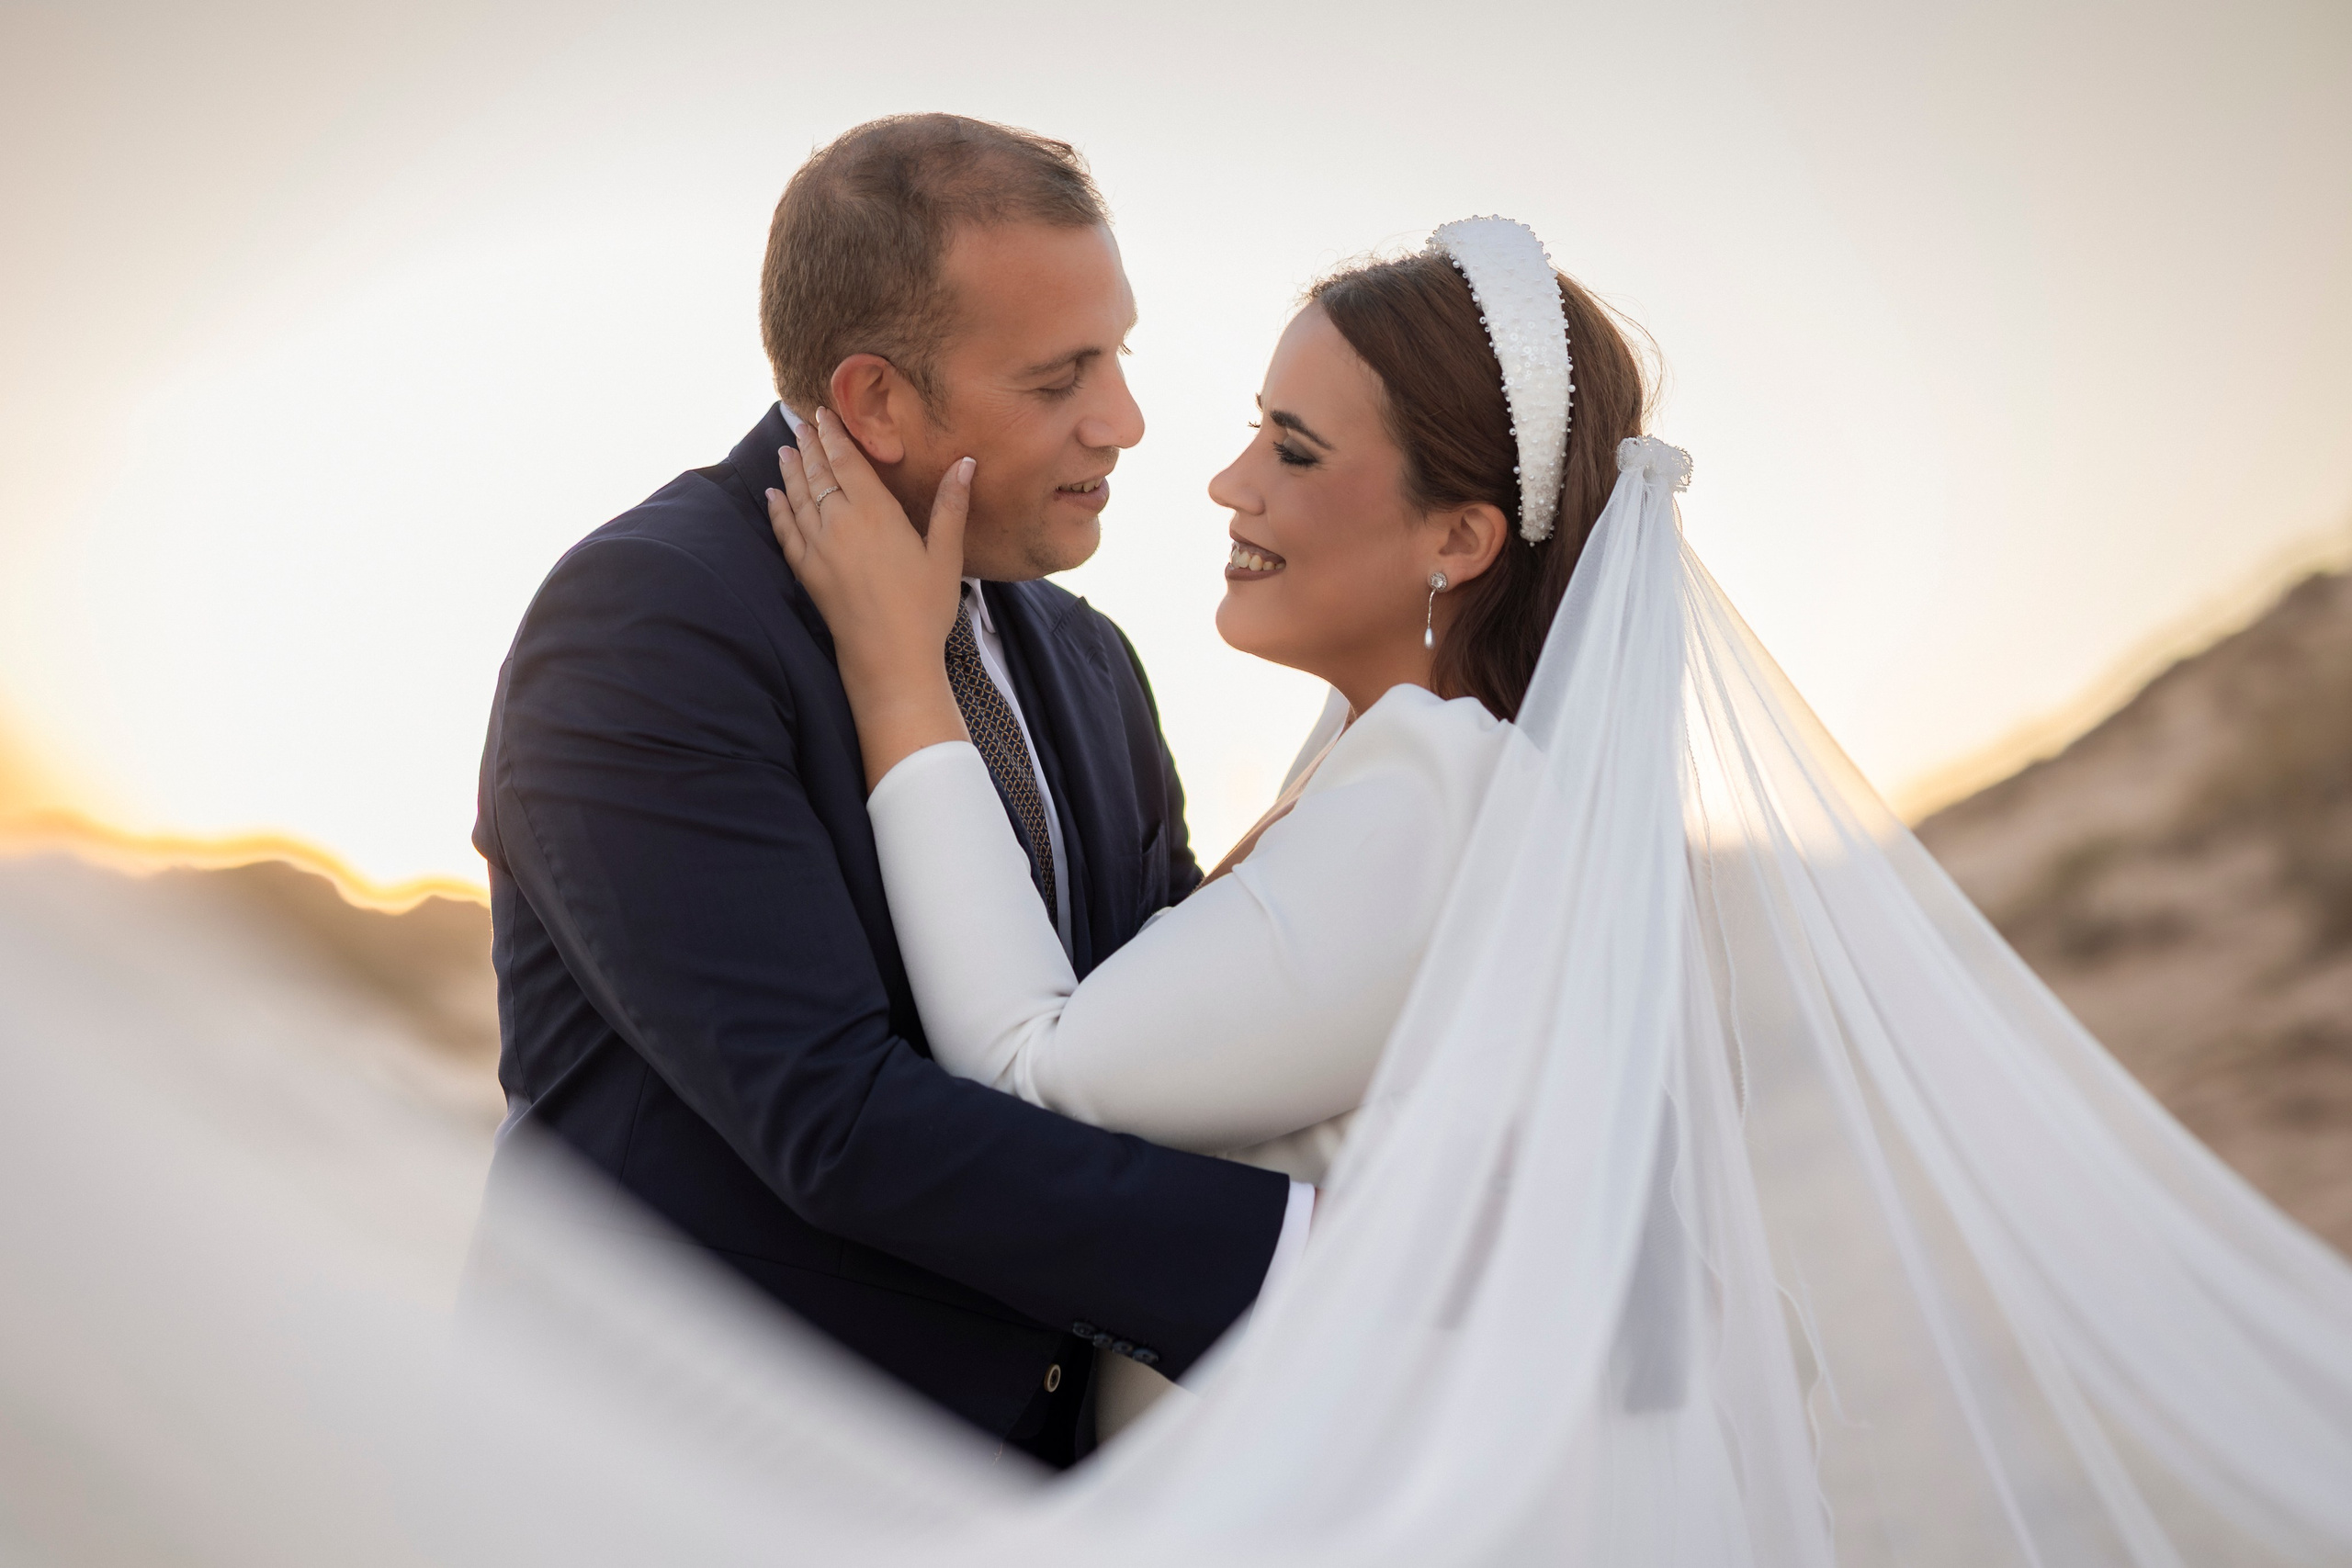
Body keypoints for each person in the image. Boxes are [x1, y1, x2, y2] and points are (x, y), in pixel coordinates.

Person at [470, 114, 1310, 1469]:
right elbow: (831, 1115)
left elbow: (1145, 1049)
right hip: (674, 1492)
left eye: (1122, 352)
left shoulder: (1088, 660)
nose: (1128, 421)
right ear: (874, 402)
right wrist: (1309, 1257)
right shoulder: (649, 623)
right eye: (1060, 378)